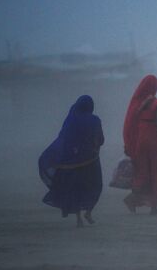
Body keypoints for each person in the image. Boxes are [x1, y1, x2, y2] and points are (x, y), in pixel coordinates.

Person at [39, 95, 104, 227]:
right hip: (91, 160)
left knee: (76, 189)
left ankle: (79, 218)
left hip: (71, 162)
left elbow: (63, 139)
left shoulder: (71, 120)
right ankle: (89, 212)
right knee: (95, 186)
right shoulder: (95, 120)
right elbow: (101, 139)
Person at [122, 75, 157, 214]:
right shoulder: (156, 102)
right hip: (153, 139)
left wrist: (129, 145)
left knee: (143, 172)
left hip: (139, 142)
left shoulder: (135, 103)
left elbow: (129, 126)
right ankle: (153, 206)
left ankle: (133, 199)